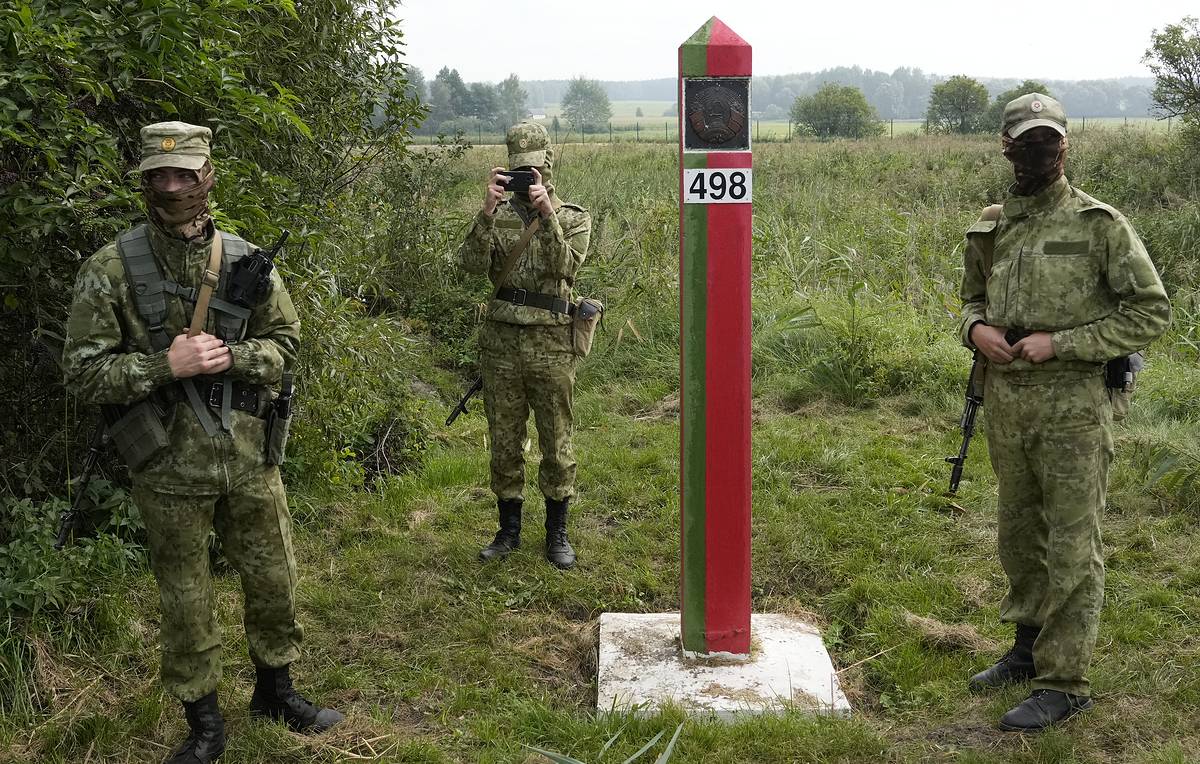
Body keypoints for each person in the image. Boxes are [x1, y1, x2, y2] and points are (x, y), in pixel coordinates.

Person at [62, 122, 342, 763]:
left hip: (248, 456)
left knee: (275, 578)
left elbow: (288, 346)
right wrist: (167, 364)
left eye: (184, 174)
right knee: (186, 598)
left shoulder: (245, 261)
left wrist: (232, 358)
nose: (172, 187)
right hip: (167, 465)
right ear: (144, 182)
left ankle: (277, 692)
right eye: (160, 176)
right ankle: (205, 723)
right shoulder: (110, 270)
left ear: (207, 175)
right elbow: (82, 373)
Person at [958, 94, 1171, 731]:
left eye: (1049, 141)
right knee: (1020, 532)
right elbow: (969, 298)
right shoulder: (992, 228)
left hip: (1075, 406)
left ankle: (1065, 680)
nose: (1038, 152)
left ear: (1065, 147)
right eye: (1026, 142)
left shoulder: (1099, 225)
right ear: (1006, 147)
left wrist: (1065, 343)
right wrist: (976, 331)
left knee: (1074, 541)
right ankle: (1027, 648)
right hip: (1007, 401)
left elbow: (1150, 311)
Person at [456, 122, 591, 569]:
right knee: (504, 438)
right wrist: (486, 214)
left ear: (547, 165)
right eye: (518, 170)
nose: (525, 177)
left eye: (532, 169)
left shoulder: (572, 217)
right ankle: (508, 529)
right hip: (502, 345)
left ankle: (557, 532)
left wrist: (546, 213)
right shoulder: (497, 216)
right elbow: (468, 268)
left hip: (552, 343)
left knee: (556, 438)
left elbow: (564, 269)